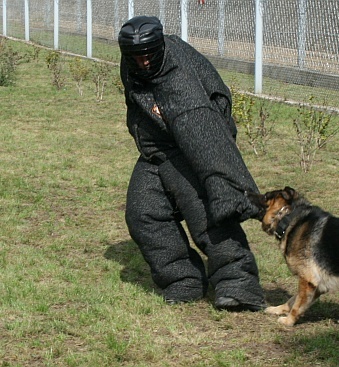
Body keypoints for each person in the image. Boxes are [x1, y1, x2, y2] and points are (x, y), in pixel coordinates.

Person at [118, 15, 266, 311]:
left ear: (158, 47)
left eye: (148, 56)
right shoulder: (132, 61)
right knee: (143, 213)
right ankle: (182, 280)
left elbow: (206, 133)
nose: (143, 62)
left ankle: (239, 284)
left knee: (206, 211)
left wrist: (225, 187)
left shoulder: (181, 82)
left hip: (198, 143)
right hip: (157, 148)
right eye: (136, 57)